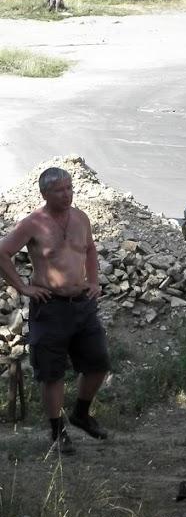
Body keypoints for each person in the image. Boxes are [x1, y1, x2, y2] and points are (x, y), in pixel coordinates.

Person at [0, 167, 110, 455]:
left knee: (98, 363)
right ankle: (57, 431)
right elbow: (3, 252)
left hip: (82, 305)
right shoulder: (33, 223)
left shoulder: (81, 217)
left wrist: (94, 281)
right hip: (50, 308)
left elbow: (89, 249)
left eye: (70, 187)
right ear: (45, 193)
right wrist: (24, 288)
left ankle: (82, 414)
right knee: (53, 372)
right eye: (60, 190)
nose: (67, 194)